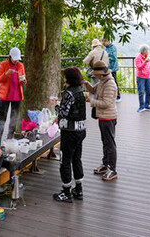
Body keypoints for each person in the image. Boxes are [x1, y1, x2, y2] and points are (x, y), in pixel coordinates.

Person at [53, 67, 87, 203]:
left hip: (69, 132)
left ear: (69, 78)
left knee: (65, 161)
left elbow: (64, 112)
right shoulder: (80, 91)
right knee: (77, 159)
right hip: (81, 131)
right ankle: (78, 189)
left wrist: (56, 106)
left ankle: (66, 192)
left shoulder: (69, 93)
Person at [86, 61, 118, 182]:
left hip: (109, 117)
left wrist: (91, 101)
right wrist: (87, 84)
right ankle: (105, 165)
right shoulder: (102, 81)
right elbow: (94, 91)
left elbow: (106, 103)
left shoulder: (109, 84)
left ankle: (112, 169)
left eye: (96, 74)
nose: (95, 76)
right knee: (105, 142)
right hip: (103, 116)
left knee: (110, 143)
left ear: (101, 74)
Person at [0, 47, 26, 148]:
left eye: (17, 59)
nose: (15, 60)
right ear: (10, 56)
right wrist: (6, 74)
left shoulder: (21, 65)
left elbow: (23, 79)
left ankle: (9, 140)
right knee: (1, 120)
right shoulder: (4, 64)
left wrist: (24, 80)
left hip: (17, 96)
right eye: (14, 58)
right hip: (5, 96)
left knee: (14, 119)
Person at [135, 45, 150, 113]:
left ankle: (147, 105)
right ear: (144, 51)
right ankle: (141, 107)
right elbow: (139, 67)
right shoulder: (138, 58)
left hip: (147, 77)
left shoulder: (147, 58)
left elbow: (148, 67)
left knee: (149, 92)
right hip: (140, 77)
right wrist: (145, 62)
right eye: (147, 50)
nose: (148, 52)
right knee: (141, 92)